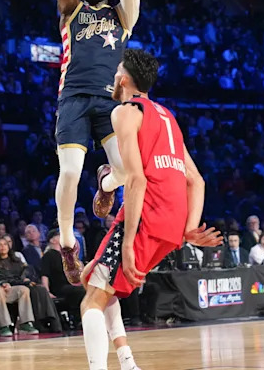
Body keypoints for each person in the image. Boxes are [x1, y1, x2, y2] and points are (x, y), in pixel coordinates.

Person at [79, 49, 219, 370]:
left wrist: (128, 242)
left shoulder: (125, 112)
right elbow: (196, 181)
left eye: (117, 71)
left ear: (124, 79)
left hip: (146, 216)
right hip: (172, 227)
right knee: (93, 279)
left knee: (91, 302)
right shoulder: (168, 117)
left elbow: (136, 178)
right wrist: (189, 229)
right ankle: (127, 361)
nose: (114, 75)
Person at [53, 0, 140, 283]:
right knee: (71, 172)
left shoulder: (122, 16)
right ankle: (68, 245)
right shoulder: (72, 10)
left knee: (127, 172)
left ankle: (105, 183)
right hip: (73, 97)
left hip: (110, 102)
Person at [0, 236, 61, 333]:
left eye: (5, 244)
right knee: (32, 291)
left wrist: (26, 278)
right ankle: (38, 322)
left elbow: (28, 270)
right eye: (0, 245)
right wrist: (24, 282)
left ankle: (53, 321)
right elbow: (3, 279)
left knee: (41, 289)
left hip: (23, 283)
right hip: (12, 286)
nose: (3, 247)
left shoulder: (16, 260)